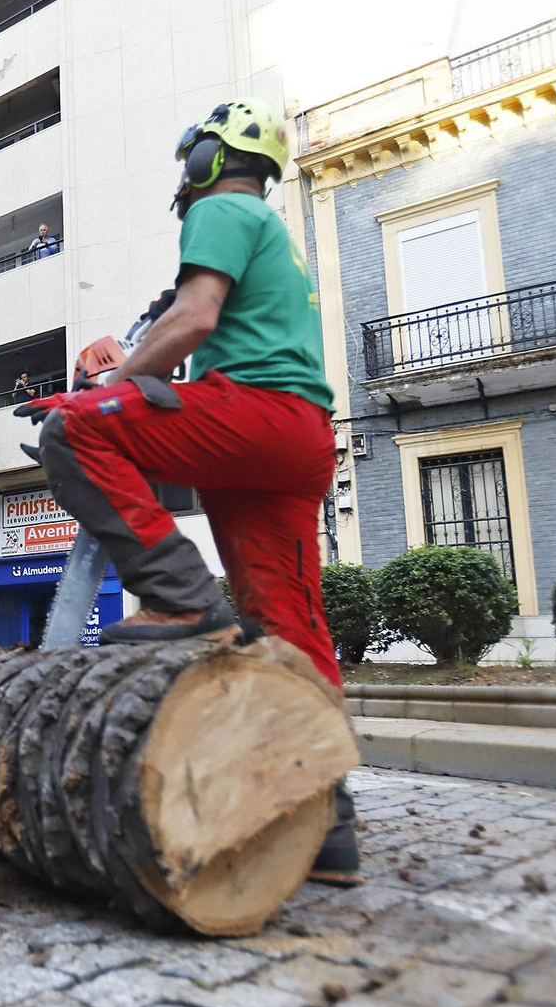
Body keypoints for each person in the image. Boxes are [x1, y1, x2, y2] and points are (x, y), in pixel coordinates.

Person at [19, 98, 360, 886]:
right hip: (298, 437)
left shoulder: (221, 209)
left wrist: (111, 383)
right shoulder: (275, 233)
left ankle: (182, 597)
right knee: (286, 618)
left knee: (76, 429)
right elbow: (207, 327)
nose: (187, 170)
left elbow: (193, 316)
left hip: (253, 414)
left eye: (192, 154)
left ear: (217, 156)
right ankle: (328, 817)